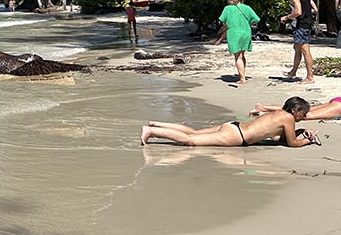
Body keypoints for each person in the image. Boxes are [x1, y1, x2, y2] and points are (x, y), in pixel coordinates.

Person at [140, 97, 319, 147]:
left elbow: (278, 138)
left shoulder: (279, 114)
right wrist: (307, 140)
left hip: (234, 126)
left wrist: (300, 131)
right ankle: (151, 131)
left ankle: (156, 124)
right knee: (191, 141)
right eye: (303, 114)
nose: (304, 117)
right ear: (295, 110)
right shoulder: (288, 118)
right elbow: (292, 144)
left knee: (194, 132)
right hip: (236, 136)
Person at [212, 0, 260, 84]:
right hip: (246, 32)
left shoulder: (227, 9)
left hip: (234, 33)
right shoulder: (247, 8)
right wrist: (246, 23)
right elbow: (256, 19)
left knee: (238, 57)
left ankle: (242, 79)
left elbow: (223, 21)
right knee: (242, 54)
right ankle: (242, 74)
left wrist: (227, 27)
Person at [280, 0, 317, 83]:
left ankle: (310, 77)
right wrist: (307, 12)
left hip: (301, 25)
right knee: (297, 48)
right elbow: (315, 9)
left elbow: (298, 11)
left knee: (305, 50)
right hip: (307, 23)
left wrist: (286, 17)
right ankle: (293, 72)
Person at [250, 97, 341, 119]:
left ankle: (264, 108)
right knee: (304, 115)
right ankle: (264, 113)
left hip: (338, 100)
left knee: (307, 110)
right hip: (338, 105)